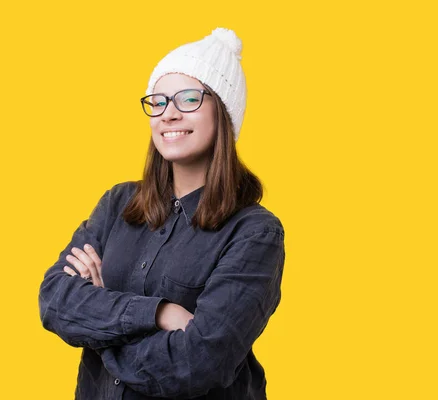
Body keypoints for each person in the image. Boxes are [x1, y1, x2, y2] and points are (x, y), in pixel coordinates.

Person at [38, 27, 286, 400]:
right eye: (158, 101)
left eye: (188, 99)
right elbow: (56, 300)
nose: (168, 114)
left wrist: (101, 322)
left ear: (224, 113)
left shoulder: (254, 232)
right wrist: (158, 314)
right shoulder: (117, 204)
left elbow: (201, 362)